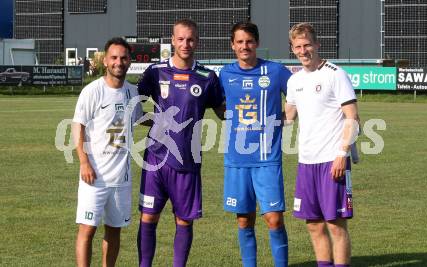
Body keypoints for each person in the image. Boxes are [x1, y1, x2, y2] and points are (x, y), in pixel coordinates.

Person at [136, 19, 224, 267]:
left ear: (198, 41)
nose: (186, 44)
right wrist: (153, 121)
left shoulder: (207, 77)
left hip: (188, 160)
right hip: (155, 160)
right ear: (172, 40)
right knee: (148, 217)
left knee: (184, 220)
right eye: (181, 39)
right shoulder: (155, 72)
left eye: (191, 39)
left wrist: (256, 110)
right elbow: (133, 101)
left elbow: (222, 111)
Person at [284, 23, 360, 267]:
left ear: (317, 44)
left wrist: (341, 154)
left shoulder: (335, 74)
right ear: (292, 49)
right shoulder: (294, 81)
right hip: (306, 162)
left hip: (332, 160)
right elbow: (286, 118)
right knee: (314, 224)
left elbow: (352, 117)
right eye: (298, 46)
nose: (303, 50)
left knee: (335, 224)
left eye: (307, 45)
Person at [219, 21, 291, 267]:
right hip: (236, 160)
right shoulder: (224, 74)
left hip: (267, 159)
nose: (244, 46)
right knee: (243, 220)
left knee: (274, 219)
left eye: (249, 41)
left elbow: (298, 95)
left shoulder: (276, 71)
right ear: (232, 45)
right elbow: (217, 105)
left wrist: (285, 118)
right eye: (239, 42)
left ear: (257, 43)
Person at [72, 37, 143, 267]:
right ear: (105, 60)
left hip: (121, 178)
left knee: (114, 230)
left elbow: (141, 118)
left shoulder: (133, 92)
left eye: (123, 58)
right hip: (94, 177)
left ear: (129, 61)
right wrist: (84, 162)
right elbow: (77, 125)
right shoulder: (92, 91)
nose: (118, 62)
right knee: (87, 229)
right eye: (114, 57)